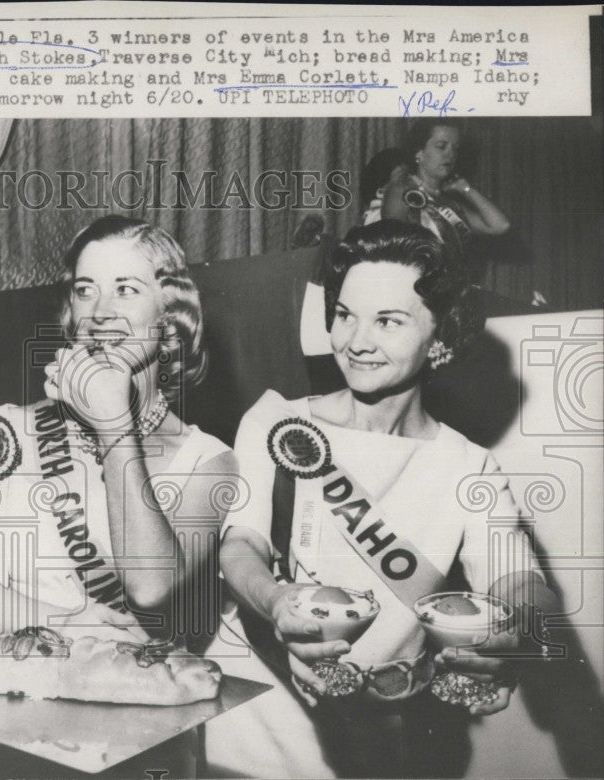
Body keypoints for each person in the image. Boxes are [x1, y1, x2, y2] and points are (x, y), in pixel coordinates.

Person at [205, 220, 558, 778]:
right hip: (259, 716)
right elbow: (239, 544)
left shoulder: (468, 465)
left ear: (440, 337)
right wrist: (276, 603)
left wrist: (517, 637)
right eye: (345, 314)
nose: (355, 341)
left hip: (381, 732)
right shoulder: (278, 421)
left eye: (387, 321)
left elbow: (519, 580)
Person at [0, 216, 238, 650]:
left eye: (126, 289)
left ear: (168, 315)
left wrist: (113, 426)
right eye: (86, 290)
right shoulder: (7, 430)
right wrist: (66, 624)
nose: (100, 311)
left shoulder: (207, 461)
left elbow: (150, 589)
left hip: (130, 696)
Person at [362, 120, 511, 259]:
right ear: (419, 152)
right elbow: (394, 239)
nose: (451, 154)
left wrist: (466, 188)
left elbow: (499, 226)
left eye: (455, 148)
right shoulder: (400, 188)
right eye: (441, 146)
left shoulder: (450, 203)